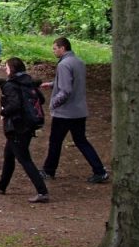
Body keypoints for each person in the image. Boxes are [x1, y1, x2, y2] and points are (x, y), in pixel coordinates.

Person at [40, 37, 109, 183]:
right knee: (81, 141)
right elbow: (72, 81)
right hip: (79, 110)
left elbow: (66, 90)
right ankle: (99, 170)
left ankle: (48, 171)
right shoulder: (78, 62)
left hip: (65, 113)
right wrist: (52, 84)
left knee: (55, 141)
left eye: (55, 48)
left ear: (62, 48)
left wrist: (53, 103)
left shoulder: (64, 64)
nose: (53, 51)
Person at [0, 57, 50, 203]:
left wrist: (3, 112)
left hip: (18, 126)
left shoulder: (11, 85)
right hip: (28, 125)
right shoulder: (28, 82)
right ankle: (1, 186)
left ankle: (42, 192)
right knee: (9, 155)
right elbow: (41, 99)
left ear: (12, 69)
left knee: (24, 159)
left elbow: (14, 105)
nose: (6, 70)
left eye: (7, 67)